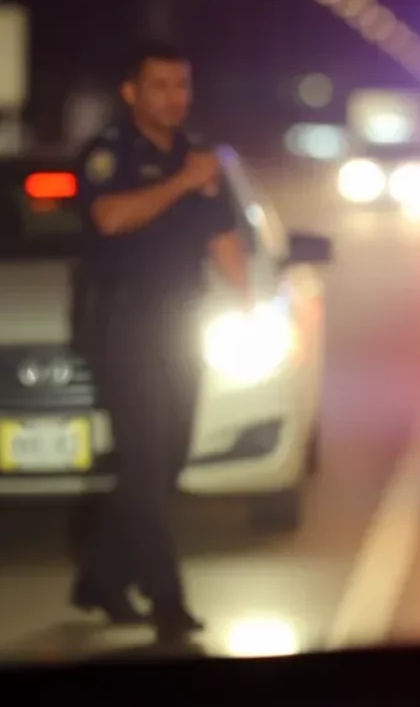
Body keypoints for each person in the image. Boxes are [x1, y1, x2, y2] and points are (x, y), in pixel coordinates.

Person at [70, 39, 251, 642]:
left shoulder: (195, 157)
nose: (175, 98)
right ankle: (168, 602)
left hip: (182, 323)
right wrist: (181, 182)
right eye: (161, 86)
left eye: (182, 85)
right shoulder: (109, 152)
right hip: (124, 325)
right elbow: (110, 217)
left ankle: (100, 578)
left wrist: (245, 298)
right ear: (131, 93)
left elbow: (221, 234)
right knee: (145, 464)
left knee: (169, 458)